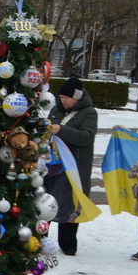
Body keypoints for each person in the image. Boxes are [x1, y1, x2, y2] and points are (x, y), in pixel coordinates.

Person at [46, 76, 97, 256]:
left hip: (72, 167)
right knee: (45, 202)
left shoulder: (89, 113)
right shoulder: (56, 109)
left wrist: (62, 130)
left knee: (69, 205)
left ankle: (67, 244)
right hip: (51, 164)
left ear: (76, 97)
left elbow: (87, 137)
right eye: (61, 98)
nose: (63, 101)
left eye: (66, 98)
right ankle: (40, 237)